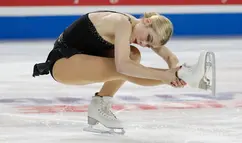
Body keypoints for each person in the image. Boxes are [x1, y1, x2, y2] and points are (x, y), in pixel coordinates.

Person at [32, 10, 214, 134]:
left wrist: (174, 68)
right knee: (126, 63)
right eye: (148, 38)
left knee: (133, 55)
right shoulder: (121, 23)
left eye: (149, 44)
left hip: (83, 59)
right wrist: (169, 76)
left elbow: (169, 56)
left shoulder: (136, 28)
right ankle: (185, 76)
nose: (144, 43)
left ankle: (100, 104)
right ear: (147, 21)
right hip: (63, 63)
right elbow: (122, 67)